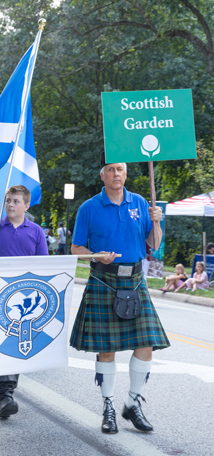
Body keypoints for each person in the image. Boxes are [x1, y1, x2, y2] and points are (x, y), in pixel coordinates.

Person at [70, 154, 170, 435]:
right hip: (104, 279)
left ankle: (133, 404)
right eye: (111, 170)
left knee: (147, 344)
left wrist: (157, 222)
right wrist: (96, 256)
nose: (116, 174)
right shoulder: (89, 208)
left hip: (136, 280)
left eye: (121, 170)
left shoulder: (140, 202)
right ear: (102, 175)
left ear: (126, 174)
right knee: (107, 349)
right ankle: (109, 407)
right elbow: (77, 248)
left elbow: (153, 243)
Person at [0, 185, 48, 419]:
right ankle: (3, 392)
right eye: (8, 200)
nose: (10, 205)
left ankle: (5, 393)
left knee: (17, 340)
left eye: (16, 201)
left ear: (26, 205)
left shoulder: (36, 231)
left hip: (24, 296)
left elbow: (43, 266)